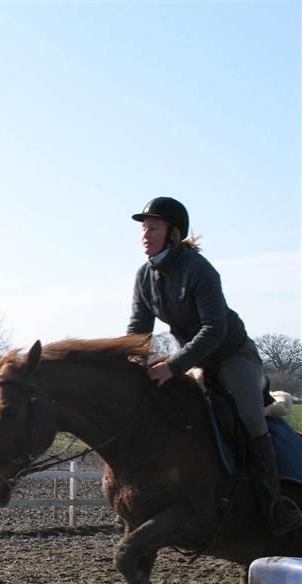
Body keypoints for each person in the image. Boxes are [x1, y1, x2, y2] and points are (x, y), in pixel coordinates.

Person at [127, 196, 302, 535]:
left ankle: (274, 503)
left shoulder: (199, 270)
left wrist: (173, 366)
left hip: (232, 355)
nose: (145, 234)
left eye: (153, 227)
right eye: (144, 228)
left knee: (250, 416)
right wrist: (133, 360)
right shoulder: (144, 276)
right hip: (194, 360)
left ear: (173, 233)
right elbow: (138, 329)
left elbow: (214, 329)